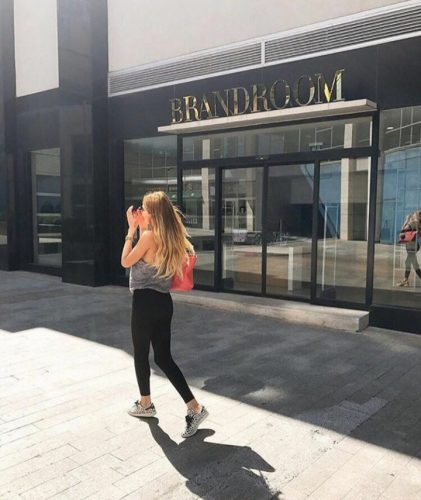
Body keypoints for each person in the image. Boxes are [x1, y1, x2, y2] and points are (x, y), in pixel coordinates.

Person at [121, 191, 208, 438]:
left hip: (144, 302)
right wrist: (142, 227)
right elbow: (147, 257)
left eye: (144, 209)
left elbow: (126, 261)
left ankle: (146, 403)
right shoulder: (170, 237)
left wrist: (131, 230)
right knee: (163, 357)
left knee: (141, 354)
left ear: (153, 213)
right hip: (163, 302)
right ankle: (194, 407)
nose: (141, 211)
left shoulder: (148, 237)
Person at [397, 210, 421, 287]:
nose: (413, 215)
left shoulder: (412, 223)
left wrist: (406, 220)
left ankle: (405, 281)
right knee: (414, 264)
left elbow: (402, 233)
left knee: (408, 263)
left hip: (411, 246)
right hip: (414, 246)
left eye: (414, 214)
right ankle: (405, 280)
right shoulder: (418, 224)